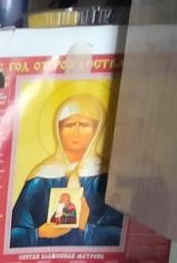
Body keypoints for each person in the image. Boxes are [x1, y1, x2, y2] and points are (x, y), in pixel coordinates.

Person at [10, 93, 124, 247]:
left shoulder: (105, 177)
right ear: (58, 129)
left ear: (97, 130)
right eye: (69, 125)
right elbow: (12, 234)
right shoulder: (40, 177)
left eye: (84, 125)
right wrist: (39, 233)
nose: (76, 132)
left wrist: (86, 228)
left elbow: (121, 235)